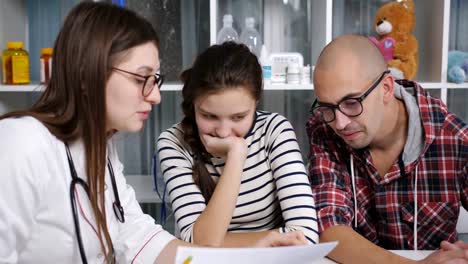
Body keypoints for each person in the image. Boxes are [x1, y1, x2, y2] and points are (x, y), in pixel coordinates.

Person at [0, 3, 305, 264]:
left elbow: (143, 241)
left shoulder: (102, 151)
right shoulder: (21, 143)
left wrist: (247, 252)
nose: (156, 96)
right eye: (142, 78)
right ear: (85, 75)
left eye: (155, 79)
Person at [307, 34, 468, 263]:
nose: (340, 124)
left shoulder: (454, 138)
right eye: (326, 107)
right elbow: (328, 229)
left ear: (386, 87)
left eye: (352, 103)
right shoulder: (324, 129)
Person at [157, 41, 319, 247]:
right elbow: (198, 243)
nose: (224, 132)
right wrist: (236, 154)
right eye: (209, 115)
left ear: (256, 104)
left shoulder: (274, 130)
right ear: (193, 104)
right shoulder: (173, 142)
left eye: (238, 117)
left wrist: (225, 243)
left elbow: (305, 236)